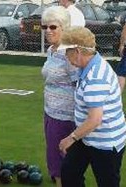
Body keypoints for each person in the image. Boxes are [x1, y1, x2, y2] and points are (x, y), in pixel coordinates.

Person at [59, 26, 126, 187]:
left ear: (77, 51)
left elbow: (95, 119)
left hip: (106, 142)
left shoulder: (95, 77)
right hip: (87, 137)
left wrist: (71, 138)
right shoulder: (89, 65)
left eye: (66, 52)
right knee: (69, 173)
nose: (65, 56)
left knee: (107, 182)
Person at [41, 6, 78, 187]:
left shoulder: (69, 53)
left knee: (62, 162)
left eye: (53, 27)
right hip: (50, 112)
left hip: (65, 117)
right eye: (45, 27)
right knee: (54, 158)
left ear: (64, 27)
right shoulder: (51, 50)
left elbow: (79, 84)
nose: (48, 30)